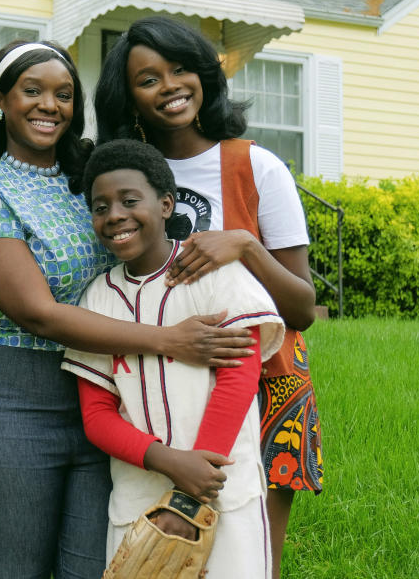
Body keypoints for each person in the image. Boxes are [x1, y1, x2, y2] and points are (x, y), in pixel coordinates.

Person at [0, 41, 256, 579]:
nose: (50, 105)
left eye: (64, 94)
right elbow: (39, 314)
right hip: (10, 402)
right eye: (33, 91)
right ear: (0, 100)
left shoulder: (89, 179)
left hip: (110, 400)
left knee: (98, 566)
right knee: (10, 569)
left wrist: (239, 241)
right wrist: (168, 340)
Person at [94, 15, 324, 579]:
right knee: (157, 555)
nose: (169, 85)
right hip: (154, 384)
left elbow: (301, 308)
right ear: (128, 95)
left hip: (260, 376)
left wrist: (244, 245)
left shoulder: (255, 166)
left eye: (180, 69)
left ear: (203, 73)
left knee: (248, 554)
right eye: (148, 79)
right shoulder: (119, 177)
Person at [62, 139, 286, 576]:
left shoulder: (216, 272)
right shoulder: (96, 299)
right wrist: (169, 462)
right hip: (138, 499)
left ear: (166, 204)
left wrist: (190, 494)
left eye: (130, 201)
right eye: (100, 207)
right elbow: (97, 416)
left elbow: (239, 379)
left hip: (224, 494)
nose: (114, 216)